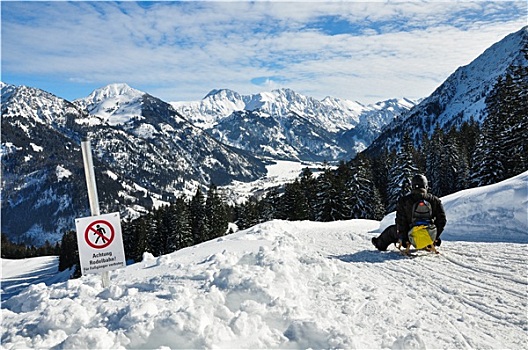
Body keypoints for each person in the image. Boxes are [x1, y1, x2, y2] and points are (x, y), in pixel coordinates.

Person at [372, 174, 447, 251]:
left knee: (390, 231)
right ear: (426, 185)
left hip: (410, 235)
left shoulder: (404, 201)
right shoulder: (434, 200)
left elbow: (401, 221)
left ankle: (379, 244)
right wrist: (435, 236)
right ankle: (427, 242)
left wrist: (404, 238)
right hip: (428, 234)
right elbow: (442, 220)